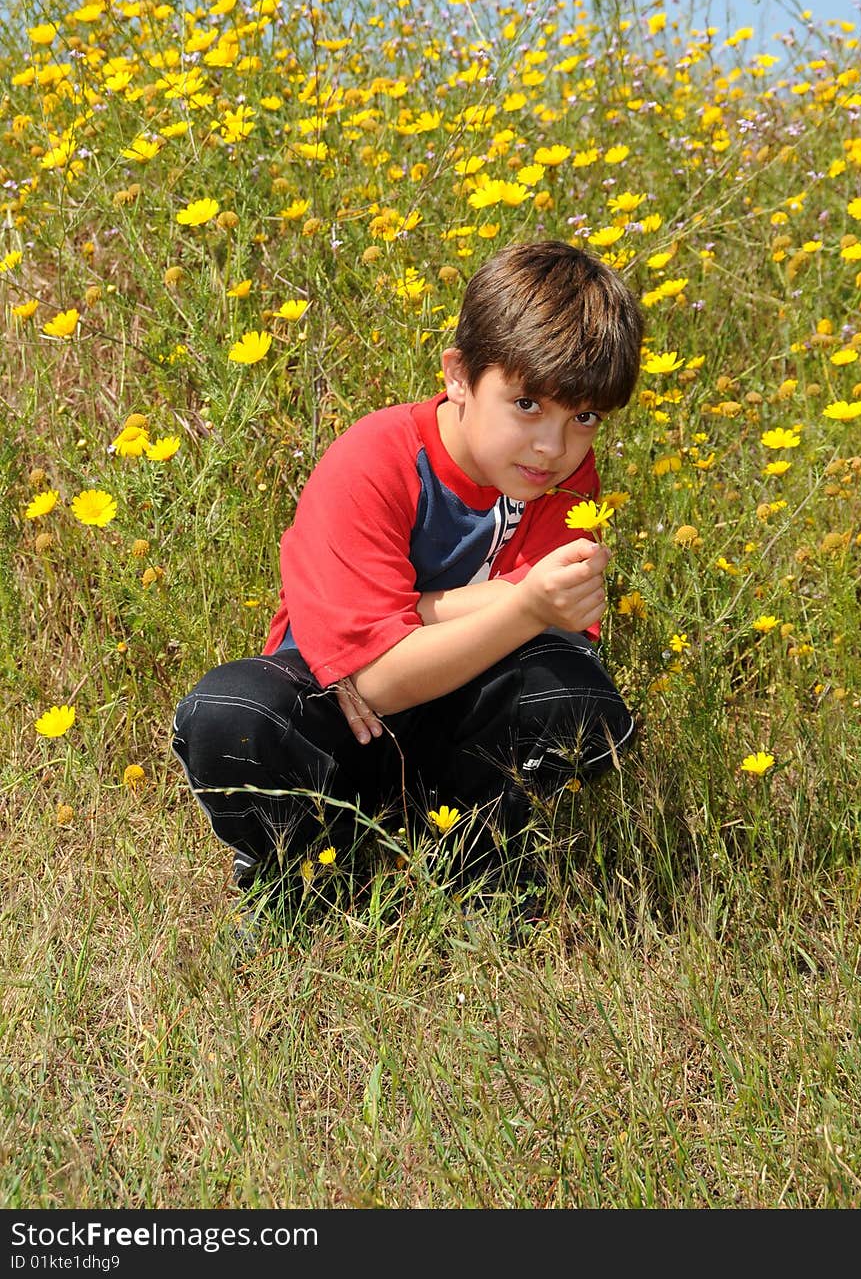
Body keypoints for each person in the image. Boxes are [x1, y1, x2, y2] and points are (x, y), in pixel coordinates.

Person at [172, 239, 643, 907]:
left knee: (578, 698)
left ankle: (472, 851)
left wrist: (417, 614)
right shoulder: (376, 457)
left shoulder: (561, 479)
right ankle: (297, 871)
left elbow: (562, 639)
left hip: (449, 730)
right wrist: (523, 604)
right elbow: (381, 683)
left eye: (584, 418)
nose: (552, 445)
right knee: (234, 714)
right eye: (527, 404)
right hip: (338, 724)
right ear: (458, 375)